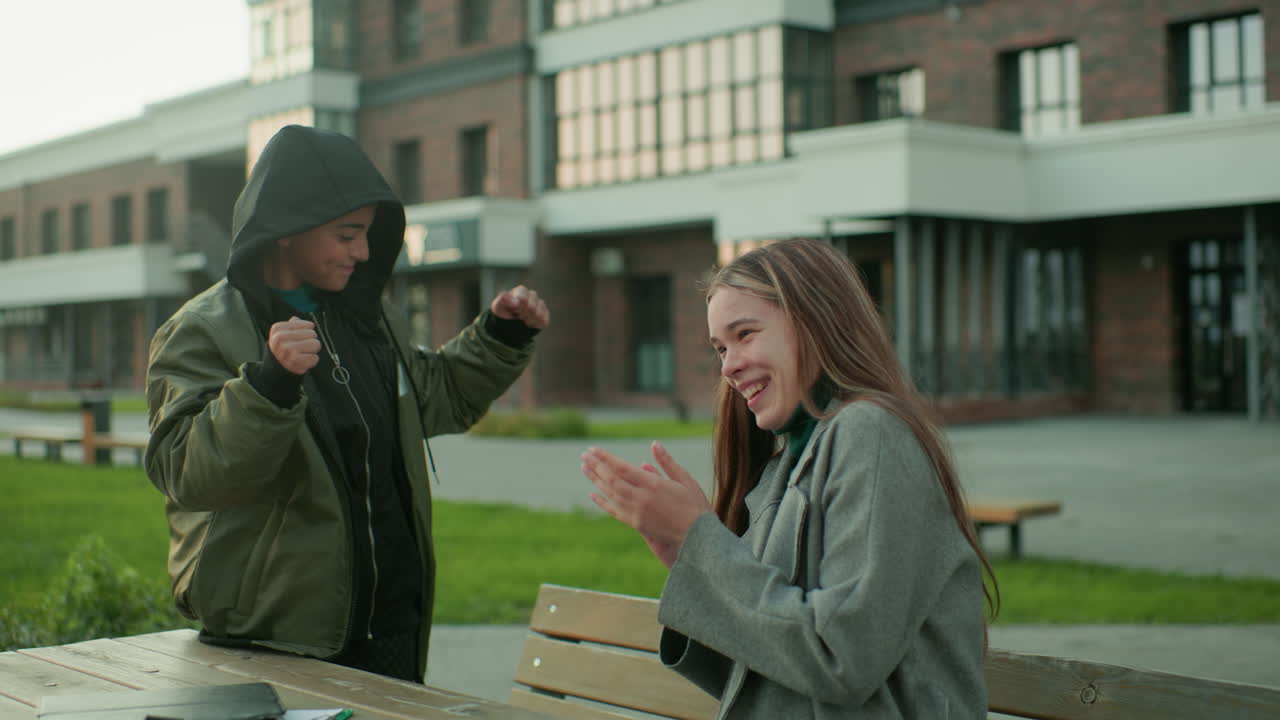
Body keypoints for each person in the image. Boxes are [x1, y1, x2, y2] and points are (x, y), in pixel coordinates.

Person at [144, 124, 548, 683]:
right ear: (287, 230)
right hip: (276, 637)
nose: (362, 251)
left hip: (394, 629)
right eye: (346, 234)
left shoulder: (369, 319)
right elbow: (187, 472)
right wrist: (268, 386)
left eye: (368, 235)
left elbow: (438, 399)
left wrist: (500, 336)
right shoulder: (202, 330)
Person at [582, 238, 996, 718]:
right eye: (720, 347)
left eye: (745, 335)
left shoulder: (871, 434)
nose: (728, 367)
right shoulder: (780, 469)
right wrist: (692, 558)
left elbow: (842, 660)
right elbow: (767, 678)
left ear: (816, 322)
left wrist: (704, 543)